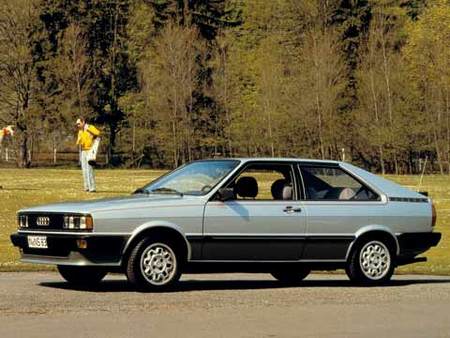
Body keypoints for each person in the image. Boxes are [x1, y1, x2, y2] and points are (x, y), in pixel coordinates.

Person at [76, 117, 101, 192]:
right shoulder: (80, 131)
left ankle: (92, 188)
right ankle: (86, 187)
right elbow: (78, 142)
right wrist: (79, 141)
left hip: (90, 151)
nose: (78, 125)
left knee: (89, 170)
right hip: (83, 151)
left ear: (83, 122)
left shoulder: (90, 127)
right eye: (77, 124)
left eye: (79, 123)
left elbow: (98, 133)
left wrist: (89, 131)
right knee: (84, 170)